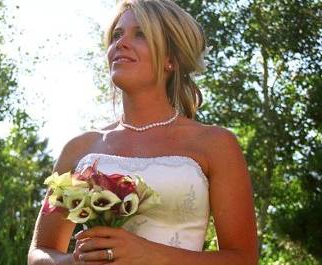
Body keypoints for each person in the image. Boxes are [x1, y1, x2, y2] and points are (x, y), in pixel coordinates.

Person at [28, 0, 259, 264]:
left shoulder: (216, 144)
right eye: (117, 35)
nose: (121, 43)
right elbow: (39, 254)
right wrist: (73, 261)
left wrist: (150, 254)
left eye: (140, 34)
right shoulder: (79, 149)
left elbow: (243, 259)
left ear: (171, 59)